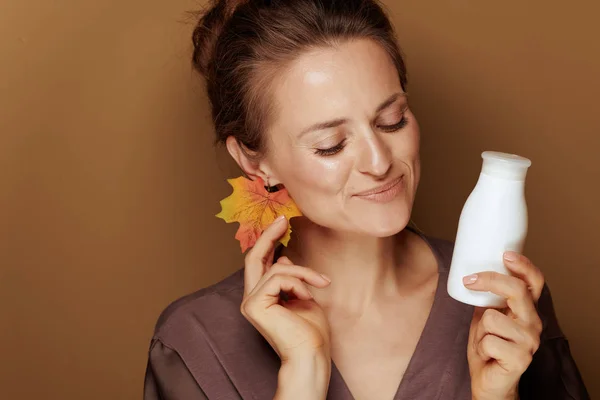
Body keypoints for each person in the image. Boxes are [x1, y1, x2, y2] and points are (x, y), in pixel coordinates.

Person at [143, 0, 590, 398]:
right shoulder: (194, 344)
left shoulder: (503, 304)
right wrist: (302, 378)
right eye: (331, 145)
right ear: (253, 159)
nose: (379, 162)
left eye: (392, 120)